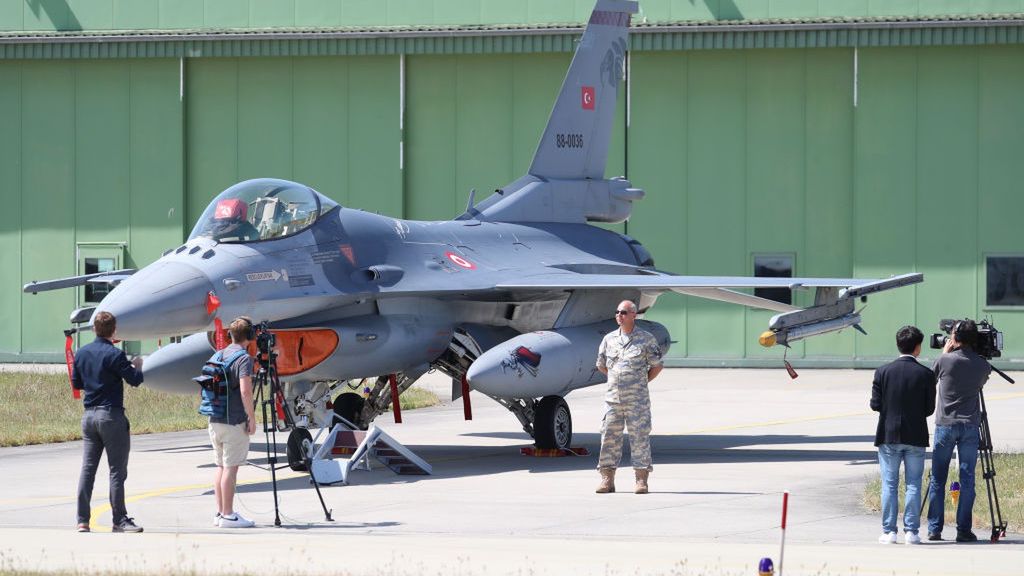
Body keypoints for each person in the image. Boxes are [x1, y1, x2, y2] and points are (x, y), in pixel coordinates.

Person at [73, 311, 145, 533]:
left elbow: (77, 383)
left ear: (94, 328)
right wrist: (138, 366)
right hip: (111, 415)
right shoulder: (115, 354)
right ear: (114, 331)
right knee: (116, 471)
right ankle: (119, 519)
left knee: (88, 469)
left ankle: (82, 520)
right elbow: (134, 381)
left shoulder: (81, 353)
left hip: (89, 416)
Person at [926, 319, 991, 543]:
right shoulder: (983, 365)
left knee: (938, 478)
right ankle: (963, 530)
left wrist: (945, 351)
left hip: (945, 425)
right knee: (967, 479)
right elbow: (980, 382)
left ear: (955, 338)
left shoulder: (945, 360)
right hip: (970, 426)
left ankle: (934, 529)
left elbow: (930, 378)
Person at [870, 326, 936, 545]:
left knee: (889, 484)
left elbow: (875, 404)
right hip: (916, 435)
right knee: (913, 484)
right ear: (917, 348)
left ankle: (889, 531)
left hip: (889, 435)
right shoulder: (926, 374)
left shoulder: (882, 372)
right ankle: (912, 531)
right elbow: (928, 409)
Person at [595, 300, 664, 494]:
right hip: (613, 400)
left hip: (637, 400)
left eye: (624, 312)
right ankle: (607, 479)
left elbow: (657, 366)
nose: (619, 315)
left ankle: (641, 480)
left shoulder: (646, 339)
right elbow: (602, 365)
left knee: (639, 437)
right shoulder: (609, 339)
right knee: (609, 437)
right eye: (617, 312)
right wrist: (617, 379)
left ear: (634, 314)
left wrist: (639, 383)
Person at [208, 317, 258, 528]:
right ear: (250, 336)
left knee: (220, 466)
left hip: (215, 419)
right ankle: (228, 514)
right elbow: (246, 391)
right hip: (234, 420)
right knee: (231, 468)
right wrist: (252, 417)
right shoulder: (243, 359)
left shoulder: (218, 354)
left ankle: (220, 513)